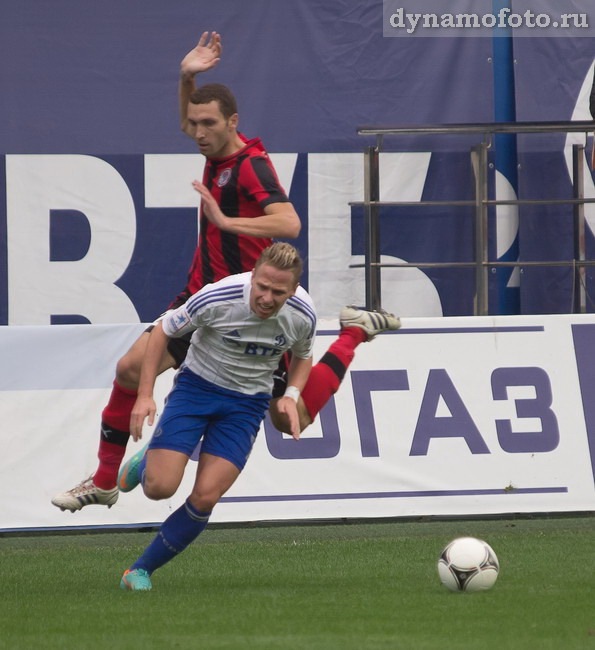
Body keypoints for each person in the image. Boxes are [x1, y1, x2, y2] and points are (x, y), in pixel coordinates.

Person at [51, 32, 401, 513]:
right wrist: (187, 77)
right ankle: (106, 480)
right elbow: (189, 118)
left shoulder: (251, 165)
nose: (197, 131)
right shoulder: (215, 152)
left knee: (291, 417)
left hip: (253, 310)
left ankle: (352, 334)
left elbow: (289, 223)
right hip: (205, 299)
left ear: (232, 122)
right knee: (131, 369)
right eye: (194, 122)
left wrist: (224, 221)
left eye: (207, 123)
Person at [120, 242, 315, 590]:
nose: (268, 298)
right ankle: (149, 460)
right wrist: (145, 394)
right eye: (263, 287)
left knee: (206, 497)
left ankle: (138, 571)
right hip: (196, 391)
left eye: (279, 292)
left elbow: (303, 354)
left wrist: (291, 395)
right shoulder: (218, 296)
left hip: (246, 407)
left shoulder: (303, 313)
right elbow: (163, 330)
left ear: (294, 290)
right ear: (252, 276)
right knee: (159, 488)